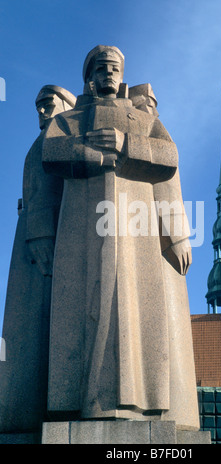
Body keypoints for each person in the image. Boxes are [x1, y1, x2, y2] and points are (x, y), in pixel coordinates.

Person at [42, 45, 199, 430]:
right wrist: (90, 154)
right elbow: (50, 152)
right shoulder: (73, 118)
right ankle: (80, 402)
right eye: (101, 68)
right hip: (81, 231)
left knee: (134, 309)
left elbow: (169, 156)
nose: (108, 74)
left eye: (114, 68)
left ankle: (141, 401)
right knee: (85, 308)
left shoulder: (141, 119)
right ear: (90, 77)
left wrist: (127, 145)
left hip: (135, 232)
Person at [0, 86, 76, 434]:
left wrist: (41, 232)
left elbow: (48, 190)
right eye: (40, 108)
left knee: (37, 326)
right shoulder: (44, 140)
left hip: (43, 241)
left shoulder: (57, 139)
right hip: (32, 238)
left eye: (49, 105)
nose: (43, 113)